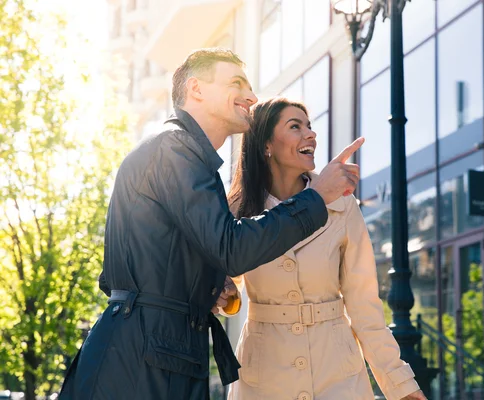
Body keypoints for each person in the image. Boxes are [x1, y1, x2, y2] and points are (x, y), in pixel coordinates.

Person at [58, 48, 363, 400]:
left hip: (161, 352)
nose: (251, 96)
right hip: (141, 362)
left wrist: (207, 283)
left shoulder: (186, 156)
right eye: (236, 83)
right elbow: (230, 248)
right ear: (197, 89)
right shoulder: (174, 150)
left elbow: (145, 265)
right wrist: (317, 196)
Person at [226, 97, 427, 400]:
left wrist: (401, 385)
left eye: (310, 126)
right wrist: (225, 292)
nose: (311, 134)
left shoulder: (342, 204)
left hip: (337, 374)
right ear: (266, 143)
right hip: (263, 375)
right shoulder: (235, 210)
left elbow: (364, 307)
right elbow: (224, 283)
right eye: (295, 126)